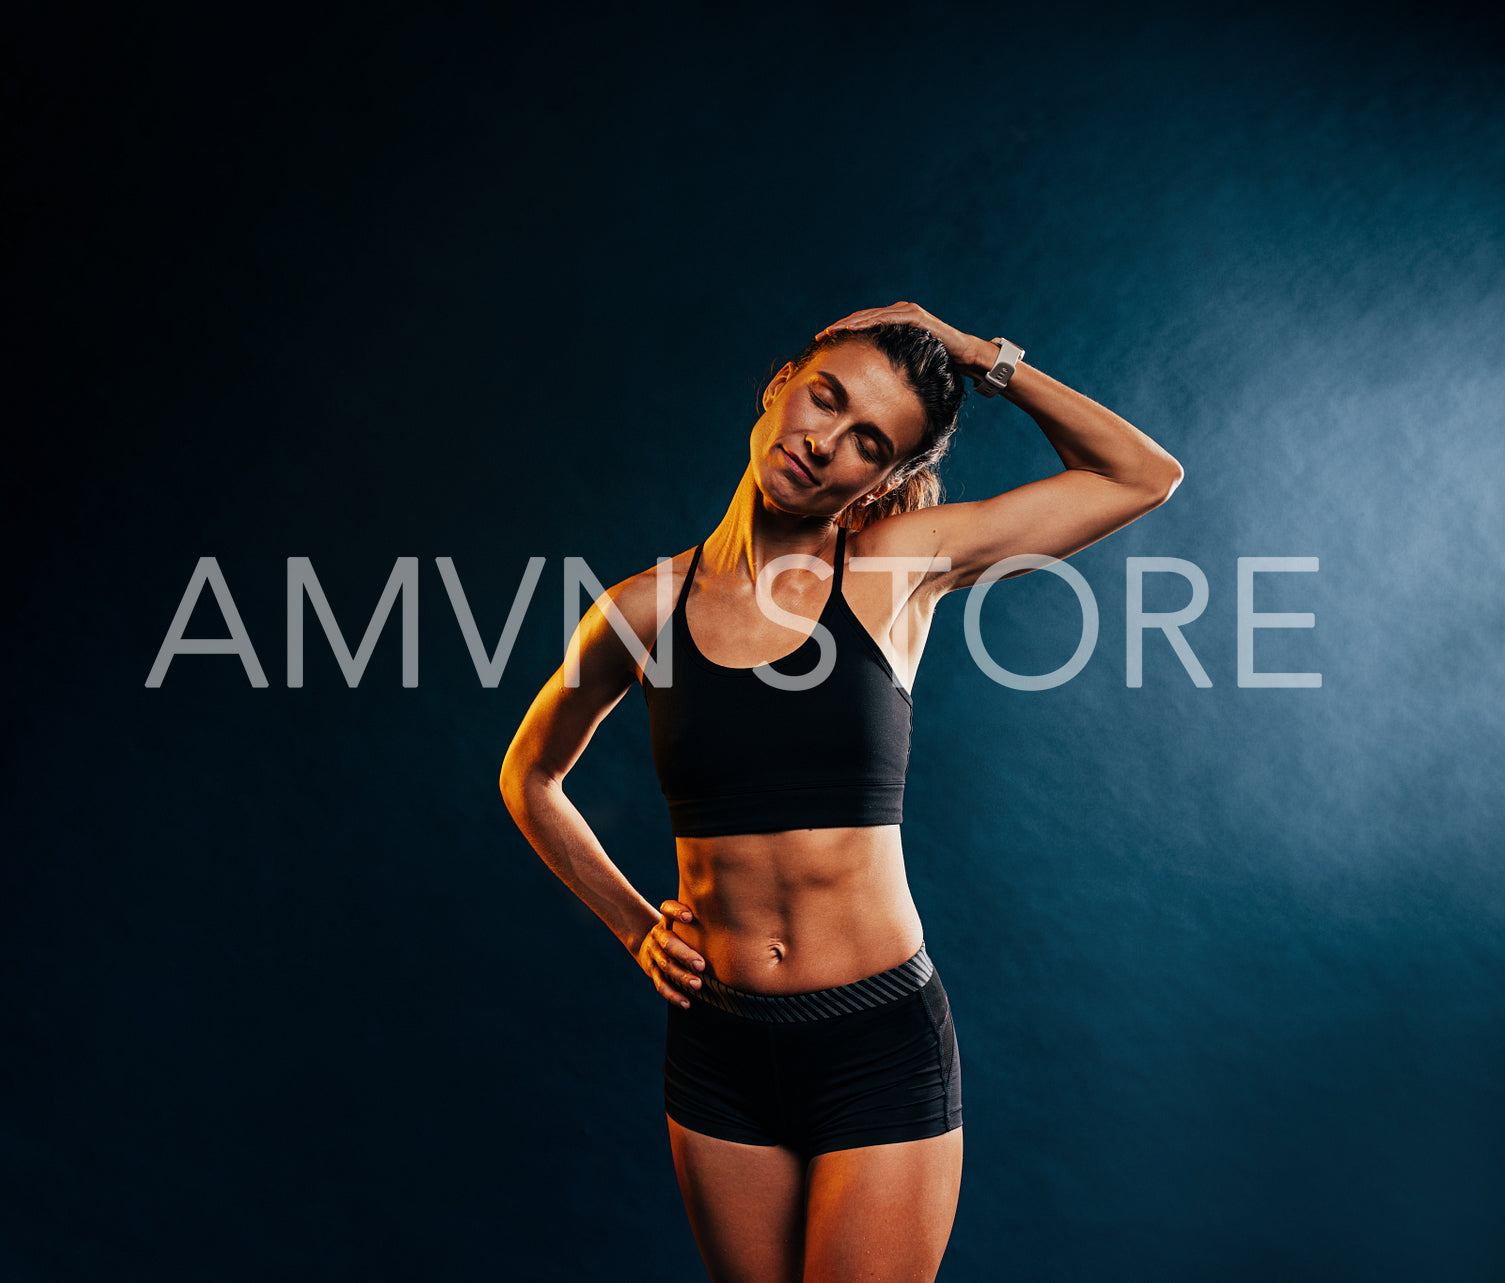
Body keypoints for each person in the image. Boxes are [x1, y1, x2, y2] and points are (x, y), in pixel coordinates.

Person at [500, 301, 1183, 1282]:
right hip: (718, 1047)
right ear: (780, 386)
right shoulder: (644, 609)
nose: (826, 443)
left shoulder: (892, 573)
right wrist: (629, 922)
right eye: (824, 399)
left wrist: (971, 352)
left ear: (890, 476)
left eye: (869, 441)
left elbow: (1139, 475)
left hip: (875, 1041)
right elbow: (529, 775)